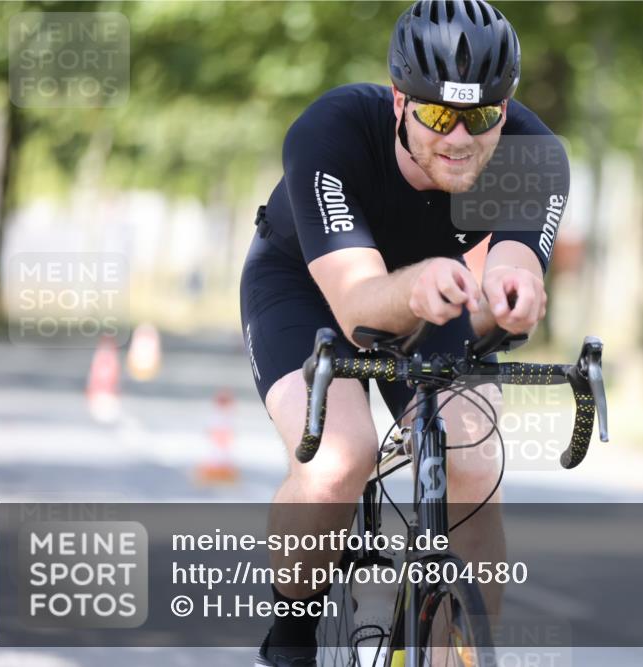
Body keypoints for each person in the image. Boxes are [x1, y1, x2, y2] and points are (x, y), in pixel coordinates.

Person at [240, 1, 569, 664]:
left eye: (480, 117)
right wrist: (421, 285)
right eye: (439, 116)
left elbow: (514, 264)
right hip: (307, 287)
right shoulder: (332, 131)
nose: (460, 137)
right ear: (399, 102)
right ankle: (292, 636)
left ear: (504, 110)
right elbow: (359, 304)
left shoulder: (530, 154)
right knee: (339, 459)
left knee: (473, 460)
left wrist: (515, 293)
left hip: (434, 295)